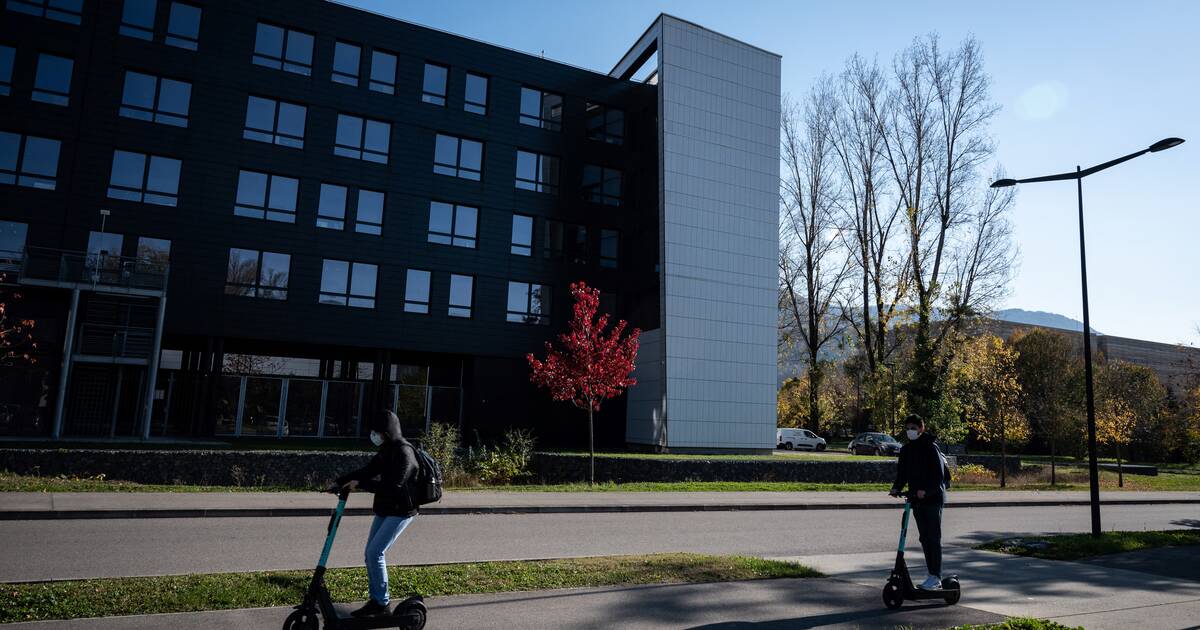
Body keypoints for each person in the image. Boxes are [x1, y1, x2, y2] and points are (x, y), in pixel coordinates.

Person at [331, 410, 419, 618]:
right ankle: (376, 600)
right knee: (369, 553)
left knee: (375, 553)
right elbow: (368, 470)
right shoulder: (386, 450)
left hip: (401, 511)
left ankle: (382, 603)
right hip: (386, 508)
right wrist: (340, 480)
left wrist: (361, 485)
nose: (373, 435)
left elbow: (393, 486)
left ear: (387, 432)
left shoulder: (405, 453)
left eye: (376, 432)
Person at [889, 413, 950, 590]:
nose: (910, 431)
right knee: (924, 538)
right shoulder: (906, 450)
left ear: (921, 428)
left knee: (933, 537)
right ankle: (931, 575)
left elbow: (939, 476)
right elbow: (902, 473)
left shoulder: (931, 448)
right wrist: (896, 488)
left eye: (914, 428)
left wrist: (927, 490)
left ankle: (936, 577)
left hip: (933, 499)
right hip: (916, 499)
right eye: (908, 428)